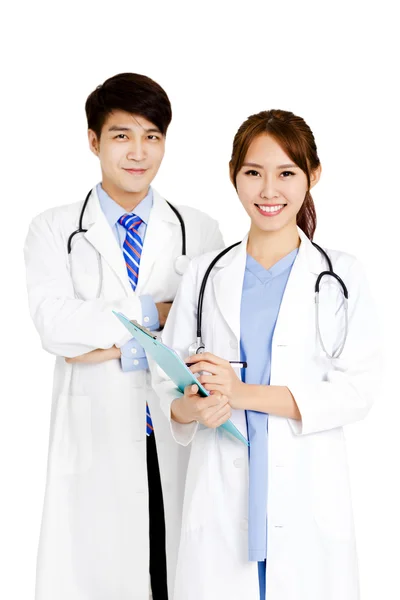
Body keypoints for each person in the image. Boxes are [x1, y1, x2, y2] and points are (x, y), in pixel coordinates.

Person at [151, 109, 382, 600]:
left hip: (306, 499)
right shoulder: (204, 273)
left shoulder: (342, 275)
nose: (268, 190)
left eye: (286, 173)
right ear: (234, 175)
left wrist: (239, 393)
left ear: (312, 176)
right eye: (253, 172)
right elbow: (164, 383)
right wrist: (194, 406)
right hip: (220, 497)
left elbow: (356, 391)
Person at [24, 72, 223, 600]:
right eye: (122, 136)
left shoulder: (199, 230)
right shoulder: (52, 230)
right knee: (98, 575)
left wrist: (106, 345)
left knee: (173, 574)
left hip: (176, 431)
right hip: (96, 439)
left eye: (152, 136)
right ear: (94, 141)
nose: (139, 152)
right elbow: (54, 326)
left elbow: (207, 336)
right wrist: (153, 313)